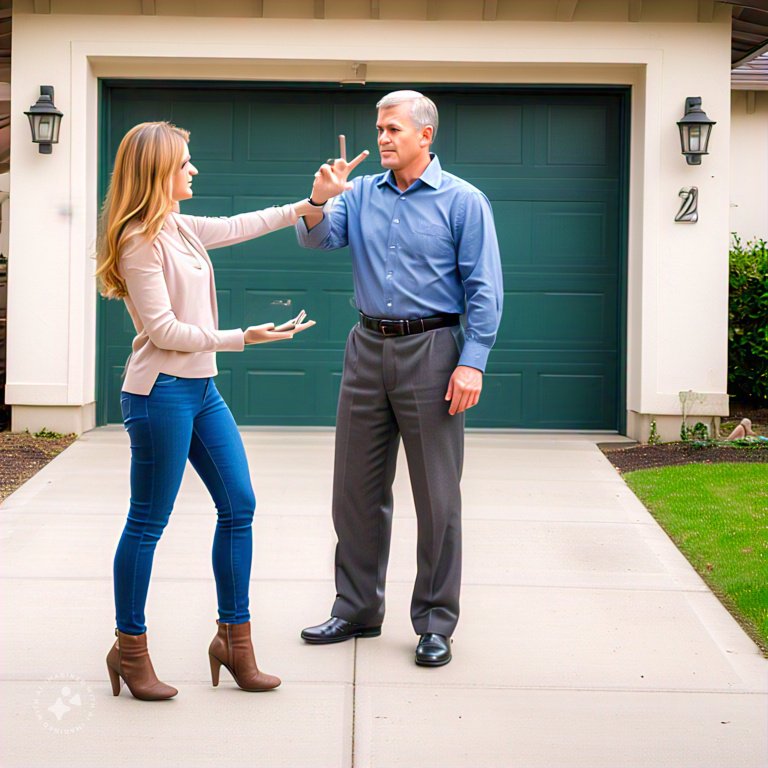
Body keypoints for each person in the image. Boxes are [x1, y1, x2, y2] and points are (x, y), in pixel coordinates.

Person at [96, 121, 363, 700]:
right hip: (159, 392)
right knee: (148, 522)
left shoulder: (179, 226)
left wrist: (314, 201)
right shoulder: (139, 238)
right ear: (157, 171)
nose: (194, 170)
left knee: (239, 504)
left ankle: (234, 641)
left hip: (199, 389)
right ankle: (130, 648)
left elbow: (246, 224)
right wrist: (244, 336)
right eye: (185, 162)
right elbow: (163, 330)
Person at [297, 91, 503, 666]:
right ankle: (357, 608)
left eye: (392, 129)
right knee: (354, 489)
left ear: (425, 135)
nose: (382, 138)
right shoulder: (358, 194)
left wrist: (473, 360)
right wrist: (318, 198)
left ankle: (436, 622)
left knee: (437, 496)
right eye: (379, 128)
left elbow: (485, 289)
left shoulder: (463, 202)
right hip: (365, 348)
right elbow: (316, 237)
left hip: (434, 350)